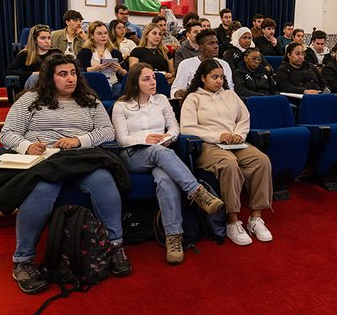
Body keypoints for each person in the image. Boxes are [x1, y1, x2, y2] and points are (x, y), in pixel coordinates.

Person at [0, 54, 132, 294]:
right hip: (46, 159)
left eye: (73, 73)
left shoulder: (89, 101)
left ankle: (115, 246)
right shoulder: (30, 100)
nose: (70, 79)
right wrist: (27, 146)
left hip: (81, 158)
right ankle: (23, 260)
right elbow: (8, 133)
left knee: (104, 181)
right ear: (50, 78)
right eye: (63, 74)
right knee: (42, 190)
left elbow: (107, 132)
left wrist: (78, 140)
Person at [112, 63, 224, 264]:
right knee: (158, 152)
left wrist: (167, 137)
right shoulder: (122, 105)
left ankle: (173, 237)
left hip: (161, 152)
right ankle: (197, 192)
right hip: (133, 155)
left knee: (165, 179)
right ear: (135, 83)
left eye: (153, 78)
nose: (152, 82)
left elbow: (174, 127)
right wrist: (146, 139)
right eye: (146, 79)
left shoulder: (162, 100)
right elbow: (121, 139)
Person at [180, 59, 273, 245]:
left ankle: (255, 218)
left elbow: (244, 117)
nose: (219, 81)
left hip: (234, 143)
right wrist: (217, 135)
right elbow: (187, 128)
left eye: (221, 77)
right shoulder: (193, 98)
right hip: (209, 145)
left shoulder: (231, 95)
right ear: (203, 78)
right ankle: (232, 221)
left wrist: (239, 134)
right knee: (229, 164)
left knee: (261, 160)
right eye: (214, 77)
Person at [171, 29, 235, 98]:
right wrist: (184, 93)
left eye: (216, 43)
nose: (216, 46)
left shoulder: (224, 65)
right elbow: (175, 90)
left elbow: (230, 89)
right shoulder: (186, 64)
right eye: (211, 43)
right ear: (201, 47)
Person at [77, 21, 127, 97]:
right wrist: (95, 68)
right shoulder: (84, 52)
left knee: (120, 91)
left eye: (105, 33)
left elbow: (126, 74)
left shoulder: (115, 52)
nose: (103, 36)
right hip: (92, 85)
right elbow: (78, 71)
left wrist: (119, 69)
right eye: (99, 33)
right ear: (92, 35)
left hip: (114, 84)